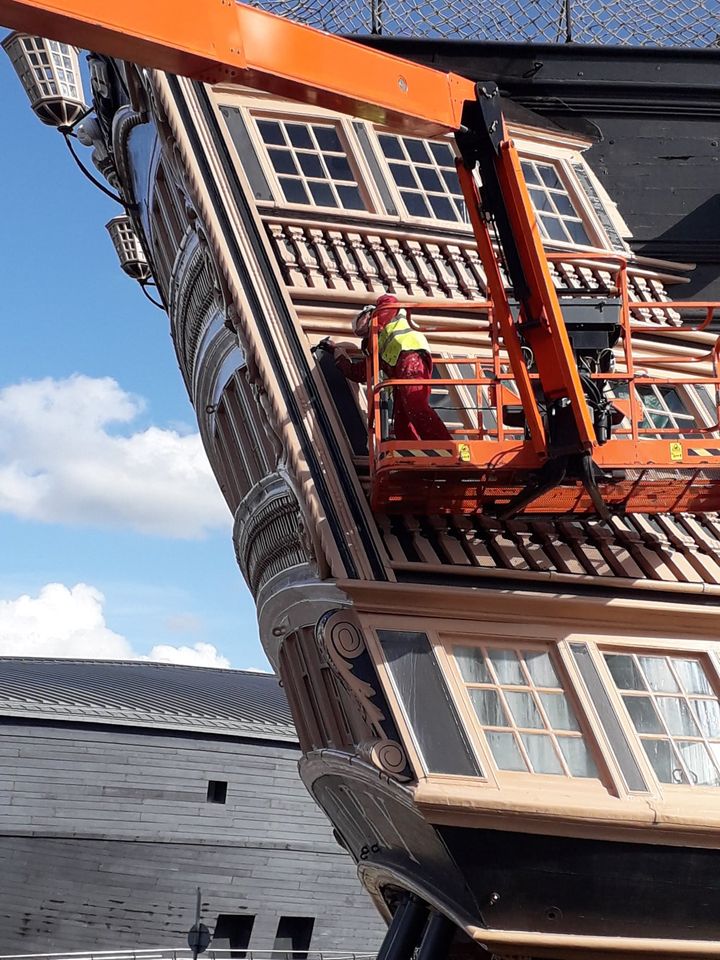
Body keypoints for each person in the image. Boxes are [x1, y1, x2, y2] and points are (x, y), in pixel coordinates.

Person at [321, 293, 451, 442]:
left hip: (410, 355)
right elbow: (357, 373)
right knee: (402, 423)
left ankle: (444, 444)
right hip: (400, 371)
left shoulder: (387, 314)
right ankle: (411, 452)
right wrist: (337, 352)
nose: (361, 331)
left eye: (361, 322)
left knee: (415, 403)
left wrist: (377, 315)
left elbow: (389, 300)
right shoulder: (375, 346)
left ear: (370, 314)